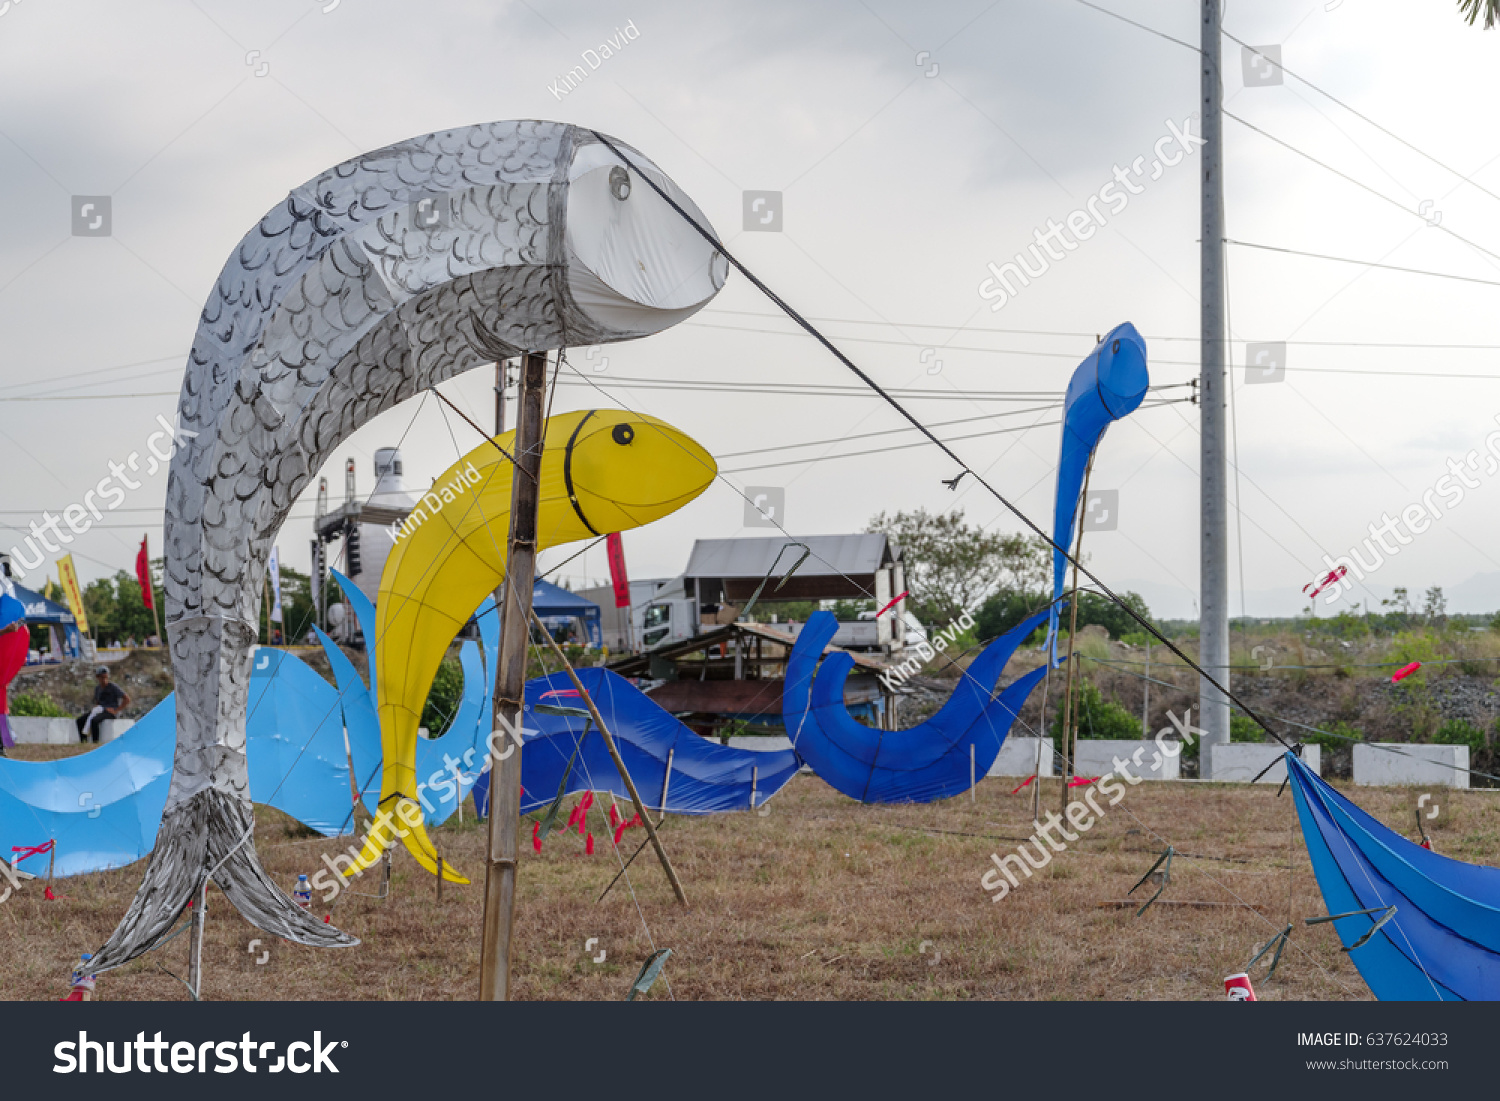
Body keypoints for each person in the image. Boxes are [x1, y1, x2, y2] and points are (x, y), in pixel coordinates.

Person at [76, 666, 129, 744]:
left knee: (94, 721)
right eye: (102, 678)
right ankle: (83, 741)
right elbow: (98, 701)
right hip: (101, 710)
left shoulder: (113, 687)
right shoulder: (98, 688)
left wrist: (116, 710)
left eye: (106, 678)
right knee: (80, 720)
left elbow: (127, 699)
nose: (104, 680)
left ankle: (95, 742)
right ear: (98, 677)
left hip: (110, 711)